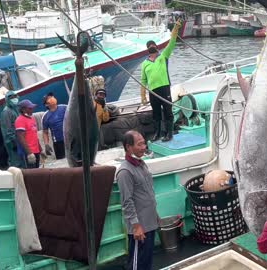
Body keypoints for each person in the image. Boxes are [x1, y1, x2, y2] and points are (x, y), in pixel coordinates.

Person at [116, 130, 159, 270]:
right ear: (128, 147)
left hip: (150, 222)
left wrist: (156, 216)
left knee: (146, 261)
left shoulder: (141, 164)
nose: (143, 147)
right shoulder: (125, 172)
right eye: (139, 144)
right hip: (139, 228)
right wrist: (136, 226)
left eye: (144, 143)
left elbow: (147, 192)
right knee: (136, 264)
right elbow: (126, 202)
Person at [140, 19, 182, 142]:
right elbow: (143, 80)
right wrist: (142, 95)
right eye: (149, 46)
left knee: (168, 111)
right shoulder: (144, 64)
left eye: (153, 45)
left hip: (164, 88)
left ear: (156, 47)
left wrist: (175, 29)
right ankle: (157, 133)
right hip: (153, 91)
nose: (152, 47)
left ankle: (169, 133)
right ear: (147, 49)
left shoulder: (163, 56)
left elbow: (172, 42)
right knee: (156, 114)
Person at [15, 99, 42, 169]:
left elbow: (34, 135)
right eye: (29, 108)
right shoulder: (20, 120)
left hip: (36, 150)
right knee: (31, 174)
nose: (32, 110)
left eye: (32, 108)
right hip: (27, 153)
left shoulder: (31, 119)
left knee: (37, 171)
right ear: (23, 109)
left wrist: (40, 148)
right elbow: (20, 137)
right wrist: (29, 153)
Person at [0, 91, 24, 167]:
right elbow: (7, 129)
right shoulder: (6, 112)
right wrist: (13, 141)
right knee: (16, 162)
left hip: (20, 139)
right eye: (11, 98)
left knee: (23, 161)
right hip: (13, 141)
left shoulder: (16, 108)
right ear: (7, 99)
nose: (14, 99)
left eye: (15, 97)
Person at [42, 92, 67, 159]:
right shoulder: (45, 116)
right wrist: (46, 144)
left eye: (52, 97)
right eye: (49, 98)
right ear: (46, 105)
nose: (52, 99)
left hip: (70, 138)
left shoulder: (65, 107)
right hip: (58, 142)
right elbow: (45, 132)